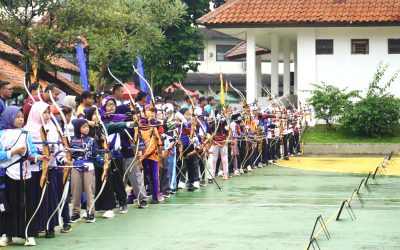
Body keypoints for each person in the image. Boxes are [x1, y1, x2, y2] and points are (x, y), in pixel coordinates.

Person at [0, 106, 44, 247]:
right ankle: (7, 234)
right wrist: (13, 152)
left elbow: (31, 153)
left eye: (21, 116)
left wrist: (39, 157)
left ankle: (29, 235)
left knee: (26, 204)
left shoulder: (26, 134)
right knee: (8, 206)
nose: (20, 119)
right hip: (7, 174)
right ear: (9, 117)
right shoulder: (2, 134)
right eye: (17, 116)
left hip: (24, 174)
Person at [69, 119, 98, 223]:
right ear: (77, 128)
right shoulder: (72, 140)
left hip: (88, 167)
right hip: (76, 166)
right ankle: (76, 213)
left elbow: (95, 153)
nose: (86, 129)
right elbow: (70, 153)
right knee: (75, 191)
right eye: (83, 127)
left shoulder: (91, 140)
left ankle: (90, 212)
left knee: (89, 190)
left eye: (87, 126)